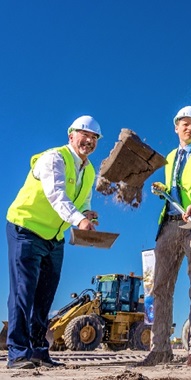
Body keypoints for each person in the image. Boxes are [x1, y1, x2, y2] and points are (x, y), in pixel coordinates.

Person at [5, 115, 102, 369]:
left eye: (94, 138)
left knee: (45, 296)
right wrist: (79, 220)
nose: (89, 141)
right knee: (23, 292)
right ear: (71, 135)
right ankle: (17, 353)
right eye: (84, 135)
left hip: (54, 237)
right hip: (26, 227)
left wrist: (87, 212)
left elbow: (84, 200)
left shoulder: (89, 170)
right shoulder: (54, 158)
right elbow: (56, 195)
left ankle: (38, 350)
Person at [139, 106, 191, 368]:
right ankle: (159, 349)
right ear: (176, 127)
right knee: (159, 288)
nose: (190, 128)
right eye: (184, 124)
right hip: (169, 226)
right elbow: (176, 191)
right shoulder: (170, 157)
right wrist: (163, 190)